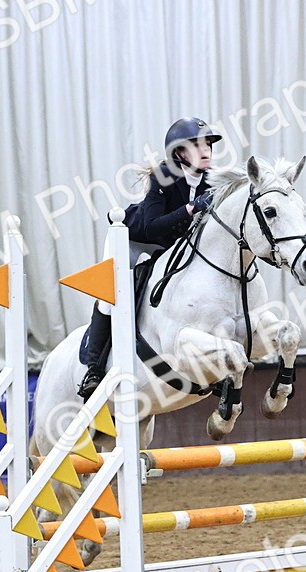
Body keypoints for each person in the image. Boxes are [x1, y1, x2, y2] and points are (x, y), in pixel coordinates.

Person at [77, 117, 222, 399]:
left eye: (208, 144)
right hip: (132, 238)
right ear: (179, 153)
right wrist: (191, 209)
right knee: (111, 296)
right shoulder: (163, 176)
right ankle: (93, 368)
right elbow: (153, 225)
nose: (206, 150)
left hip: (167, 245)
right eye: (196, 145)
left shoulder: (212, 182)